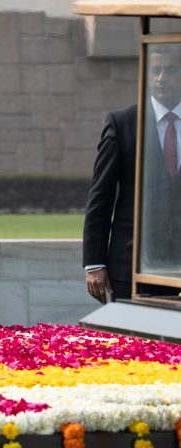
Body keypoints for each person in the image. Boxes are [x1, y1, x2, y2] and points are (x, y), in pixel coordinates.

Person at [83, 45, 181, 304]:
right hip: (131, 266)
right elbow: (100, 196)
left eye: (171, 70)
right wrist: (94, 262)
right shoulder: (122, 122)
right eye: (156, 70)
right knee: (137, 345)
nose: (162, 77)